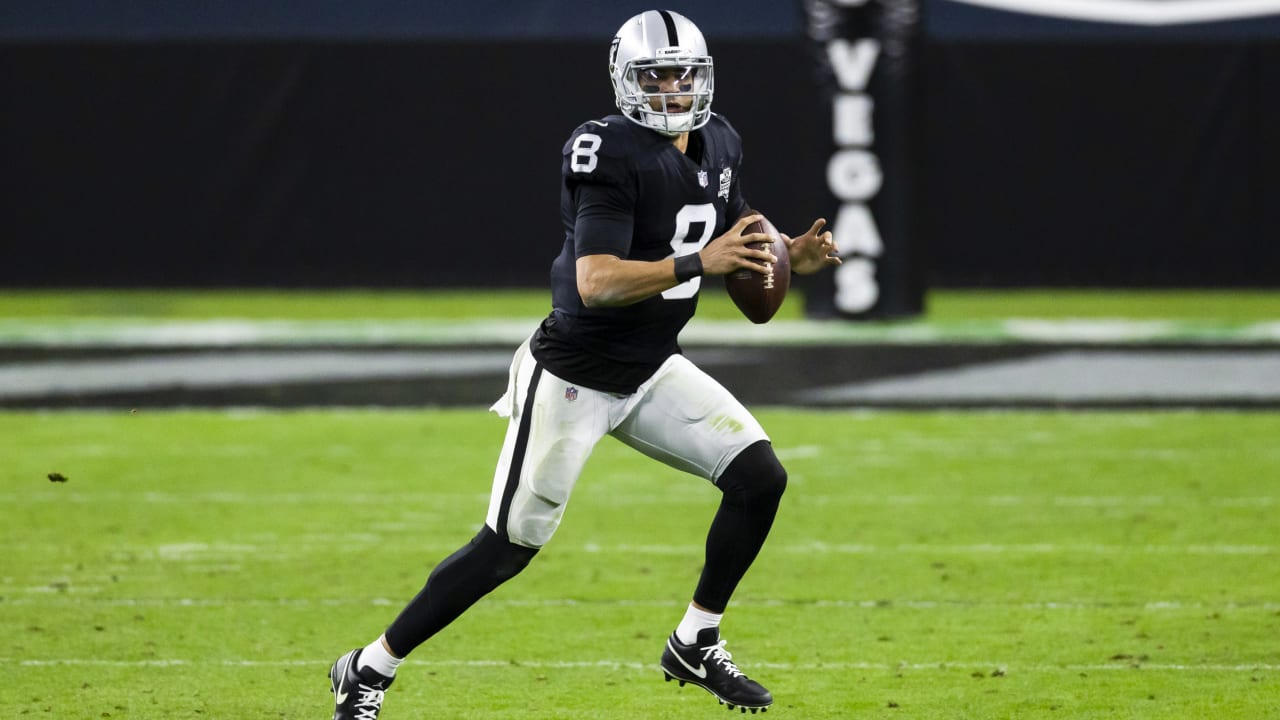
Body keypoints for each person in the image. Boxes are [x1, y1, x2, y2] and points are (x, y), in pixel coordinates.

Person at [328, 9, 840, 718]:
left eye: (683, 73)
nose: (672, 87)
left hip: (652, 365)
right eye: (656, 75)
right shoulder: (606, 150)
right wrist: (701, 262)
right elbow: (597, 282)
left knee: (759, 479)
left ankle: (695, 640)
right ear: (625, 80)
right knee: (507, 548)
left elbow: (728, 222)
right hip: (574, 375)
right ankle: (368, 668)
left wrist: (785, 249)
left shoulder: (720, 139)